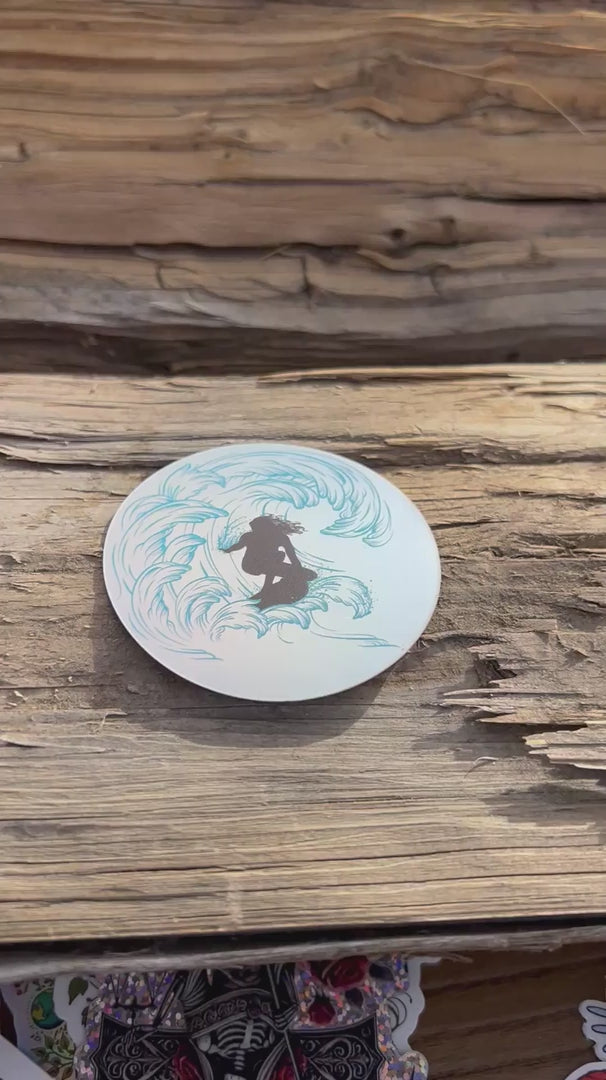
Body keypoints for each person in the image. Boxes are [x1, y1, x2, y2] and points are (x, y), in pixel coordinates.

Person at [222, 515, 317, 609]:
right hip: (251, 565)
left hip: (269, 563)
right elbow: (237, 546)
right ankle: (266, 590)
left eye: (256, 528)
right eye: (253, 528)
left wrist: (297, 574)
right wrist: (226, 550)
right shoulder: (249, 536)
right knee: (279, 556)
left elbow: (294, 560)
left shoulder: (280, 538)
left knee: (309, 574)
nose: (254, 530)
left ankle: (271, 591)